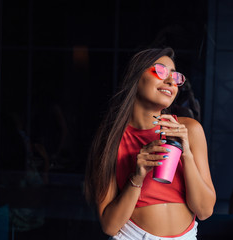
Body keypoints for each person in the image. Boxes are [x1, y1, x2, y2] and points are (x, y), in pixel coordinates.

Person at [85, 47, 216, 240]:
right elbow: (110, 226)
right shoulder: (111, 139)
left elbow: (204, 211)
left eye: (176, 77)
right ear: (136, 77)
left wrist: (186, 153)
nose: (171, 81)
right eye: (161, 71)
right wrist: (137, 177)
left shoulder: (190, 130)